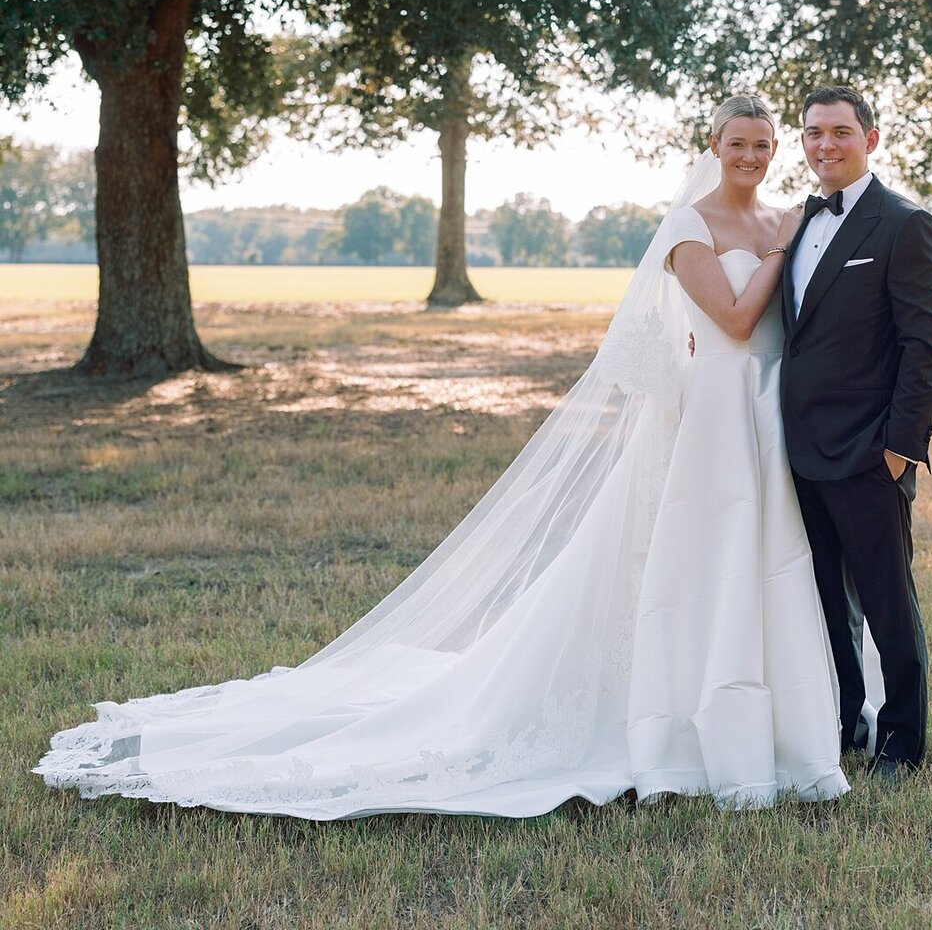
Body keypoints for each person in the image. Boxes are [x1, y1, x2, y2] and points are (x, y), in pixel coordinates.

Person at [35, 94, 847, 817]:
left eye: (764, 144)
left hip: (768, 413)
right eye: (738, 142)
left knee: (765, 564)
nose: (752, 156)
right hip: (713, 412)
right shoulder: (692, 227)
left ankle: (775, 732)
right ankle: (679, 736)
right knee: (704, 565)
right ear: (712, 146)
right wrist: (779, 246)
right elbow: (737, 323)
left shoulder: (784, 216)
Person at [781, 84, 932, 783]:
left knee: (885, 598)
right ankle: (848, 717)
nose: (827, 145)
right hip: (797, 446)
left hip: (869, 447)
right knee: (825, 598)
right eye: (815, 133)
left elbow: (924, 345)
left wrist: (900, 449)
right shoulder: (794, 223)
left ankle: (903, 739)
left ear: (870, 139)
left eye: (842, 132)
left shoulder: (905, 224)